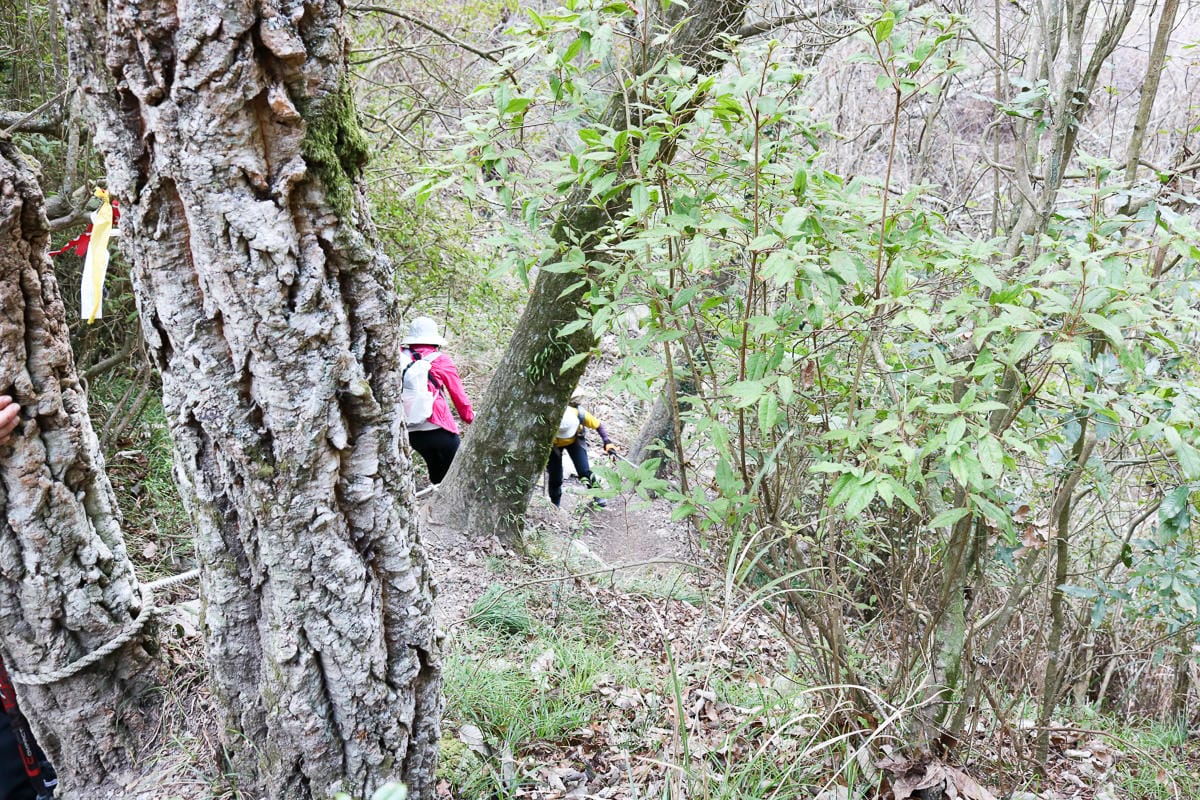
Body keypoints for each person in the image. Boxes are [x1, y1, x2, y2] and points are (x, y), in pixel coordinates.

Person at [401, 317, 473, 484]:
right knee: (456, 477)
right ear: (434, 340)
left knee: (437, 475)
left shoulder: (399, 357)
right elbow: (458, 395)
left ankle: (434, 500)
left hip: (410, 431)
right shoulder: (441, 360)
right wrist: (469, 417)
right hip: (438, 427)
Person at [547, 396, 616, 508]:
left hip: (575, 442)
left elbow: (598, 426)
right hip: (553, 446)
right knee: (555, 477)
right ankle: (555, 505)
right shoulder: (547, 423)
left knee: (584, 471)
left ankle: (598, 494)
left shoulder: (579, 414)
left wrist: (607, 442)